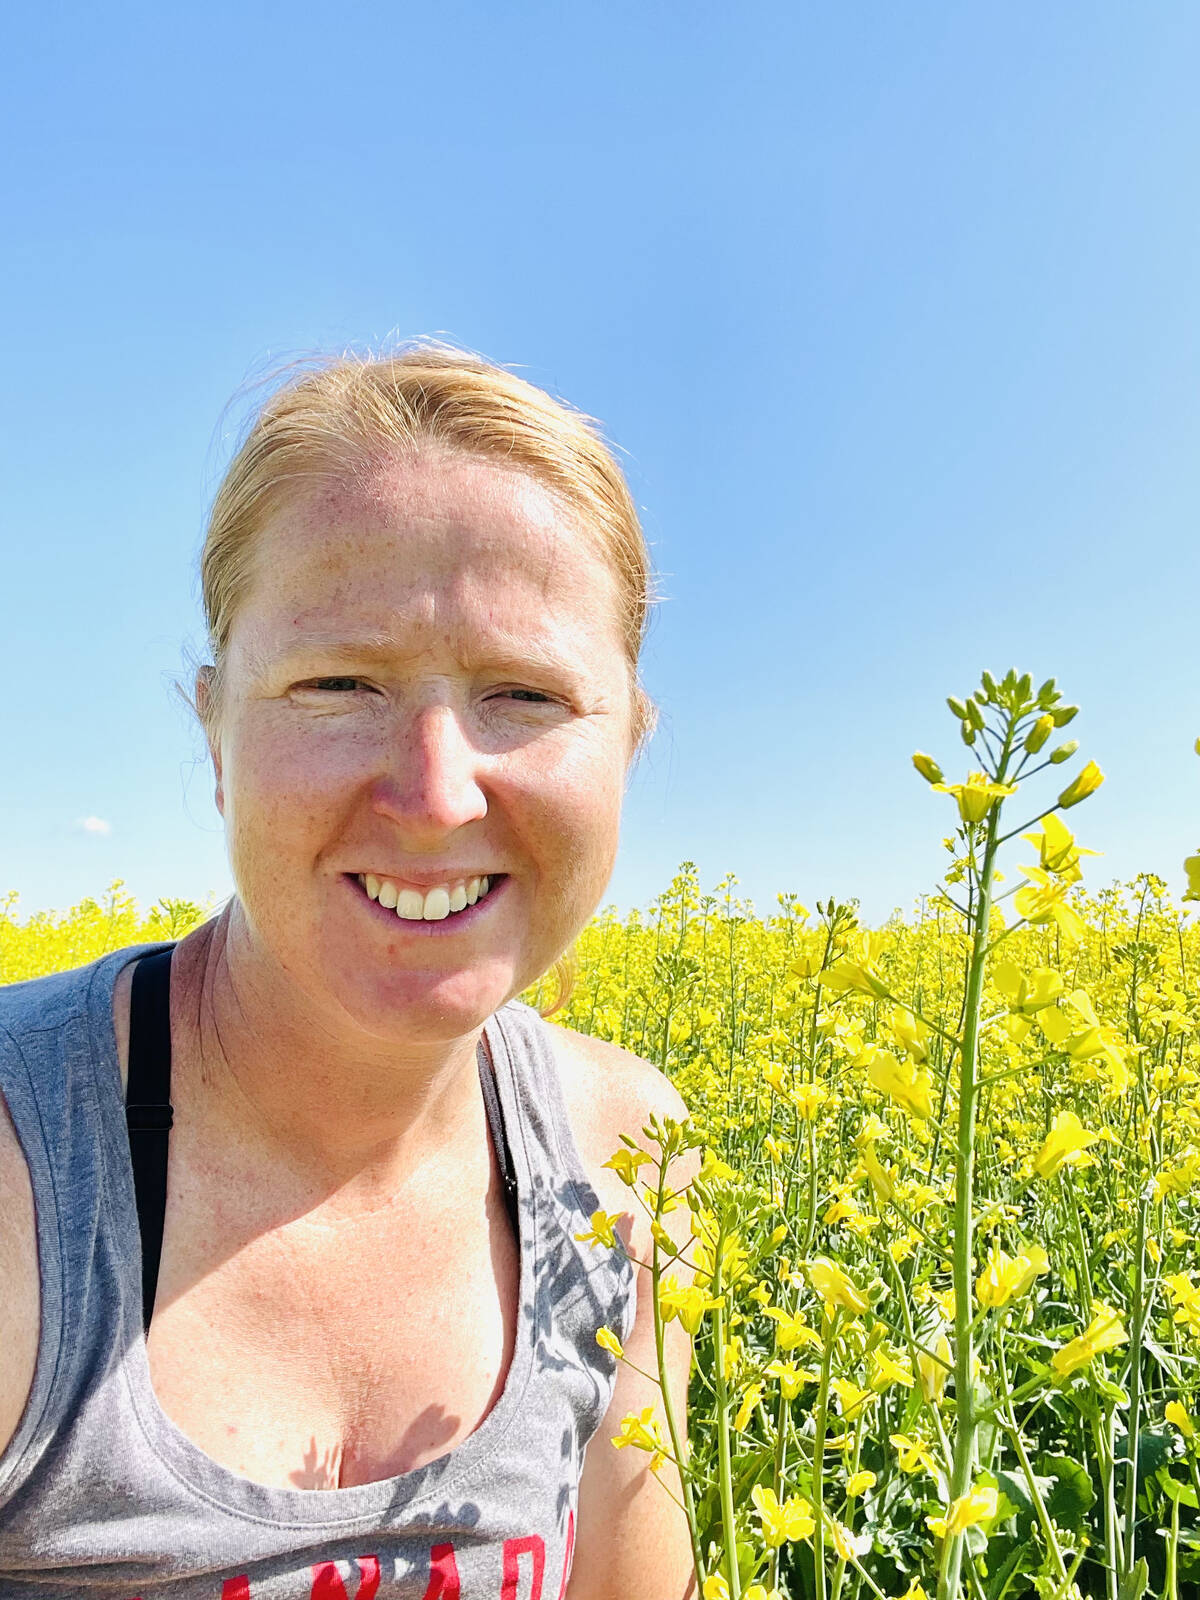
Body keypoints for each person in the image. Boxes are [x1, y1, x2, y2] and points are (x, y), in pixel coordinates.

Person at [0, 344, 699, 1598]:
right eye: (338, 683)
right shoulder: (19, 1157)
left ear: (630, 743)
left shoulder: (628, 1148)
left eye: (527, 694)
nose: (435, 796)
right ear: (214, 729)